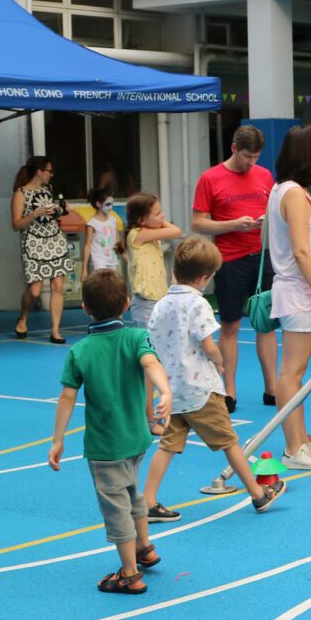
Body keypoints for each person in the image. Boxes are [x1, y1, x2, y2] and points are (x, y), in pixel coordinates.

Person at [138, 237, 286, 522]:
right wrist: (219, 361)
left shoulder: (161, 305)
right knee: (229, 442)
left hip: (174, 390)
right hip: (201, 391)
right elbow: (207, 343)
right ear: (203, 278)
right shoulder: (198, 304)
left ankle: (149, 500)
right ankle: (258, 493)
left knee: (168, 446)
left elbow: (153, 343)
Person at [47, 269, 171, 597]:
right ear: (127, 304)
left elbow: (67, 397)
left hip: (105, 446)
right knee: (132, 494)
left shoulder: (80, 351)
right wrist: (165, 391)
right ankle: (144, 548)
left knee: (116, 509)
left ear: (85, 308)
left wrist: (58, 439)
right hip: (136, 439)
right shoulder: (136, 337)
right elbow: (151, 364)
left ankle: (130, 574)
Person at [266, 124, 311, 471]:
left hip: (297, 291)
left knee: (296, 374)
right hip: (300, 293)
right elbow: (300, 250)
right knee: (291, 374)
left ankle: (302, 439)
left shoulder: (285, 190)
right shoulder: (293, 194)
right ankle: (294, 448)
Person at [191, 125, 276, 413]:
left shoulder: (265, 176)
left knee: (266, 322)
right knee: (230, 325)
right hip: (230, 259)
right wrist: (233, 225)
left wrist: (267, 221)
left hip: (262, 257)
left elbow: (275, 211)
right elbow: (197, 223)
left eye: (256, 157)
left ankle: (271, 388)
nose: (251, 162)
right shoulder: (210, 178)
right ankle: (229, 391)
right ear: (234, 149)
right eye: (247, 156)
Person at [11, 157, 71, 344]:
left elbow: (52, 215)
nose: (51, 175)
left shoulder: (48, 189)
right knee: (35, 291)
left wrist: (61, 210)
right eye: (48, 171)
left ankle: (55, 330)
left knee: (57, 286)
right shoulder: (20, 193)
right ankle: (23, 318)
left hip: (54, 239)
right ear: (39, 171)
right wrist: (34, 214)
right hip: (33, 242)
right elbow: (16, 224)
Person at [123, 192, 181, 330]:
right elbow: (176, 231)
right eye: (158, 213)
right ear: (142, 220)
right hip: (145, 303)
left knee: (161, 339)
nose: (163, 216)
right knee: (148, 340)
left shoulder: (151, 234)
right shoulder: (138, 234)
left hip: (158, 298)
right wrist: (161, 223)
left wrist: (157, 220)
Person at [84, 188, 123, 274]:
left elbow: (117, 241)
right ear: (98, 204)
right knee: (102, 282)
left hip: (112, 260)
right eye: (108, 204)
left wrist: (127, 258)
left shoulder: (113, 220)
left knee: (112, 282)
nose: (111, 207)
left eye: (112, 204)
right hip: (99, 260)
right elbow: (87, 246)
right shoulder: (92, 223)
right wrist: (84, 269)